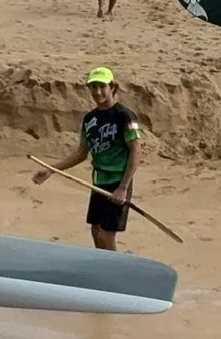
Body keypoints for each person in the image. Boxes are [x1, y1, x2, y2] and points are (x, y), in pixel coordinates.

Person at [32, 67, 145, 249]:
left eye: (102, 86)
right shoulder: (90, 119)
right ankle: (102, 265)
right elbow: (81, 153)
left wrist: (123, 188)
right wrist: (50, 170)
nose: (97, 92)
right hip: (98, 182)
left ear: (112, 88)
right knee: (96, 231)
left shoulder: (125, 116)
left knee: (106, 234)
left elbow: (136, 151)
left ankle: (112, 266)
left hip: (118, 181)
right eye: (93, 87)